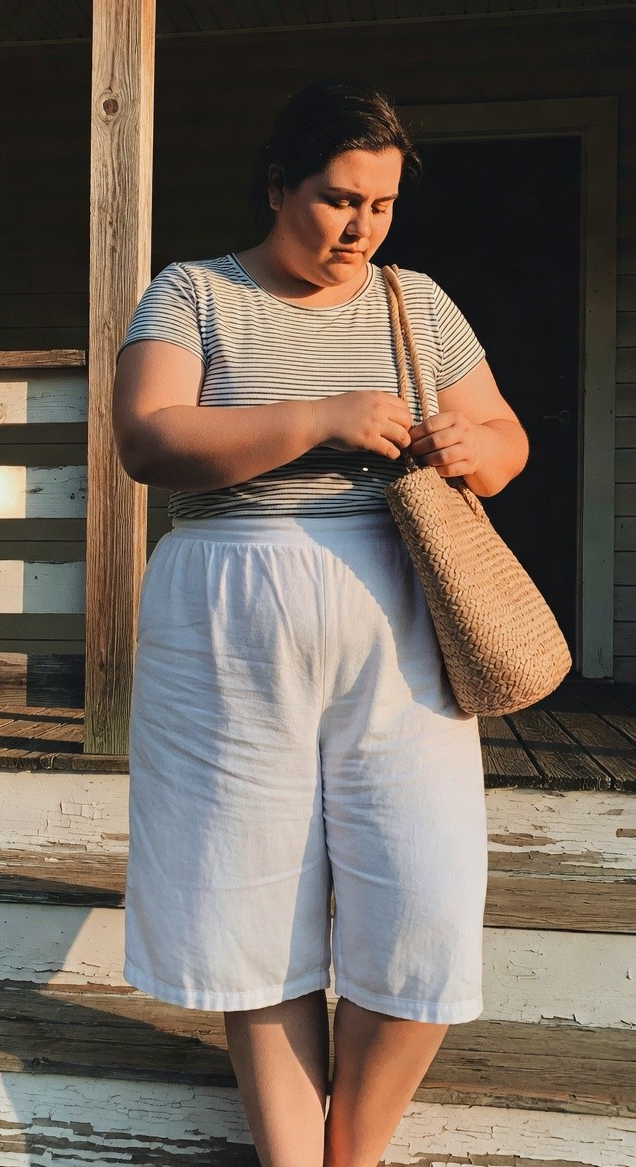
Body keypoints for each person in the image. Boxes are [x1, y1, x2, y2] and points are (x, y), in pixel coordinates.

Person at [111, 79, 529, 1167]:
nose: (361, 228)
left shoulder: (416, 302)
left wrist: (476, 452)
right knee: (248, 907)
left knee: (426, 898)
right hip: (226, 619)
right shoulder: (193, 293)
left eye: (382, 205)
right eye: (339, 200)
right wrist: (319, 419)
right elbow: (150, 441)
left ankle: (354, 1156)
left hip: (399, 615)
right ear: (276, 186)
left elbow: (505, 437)